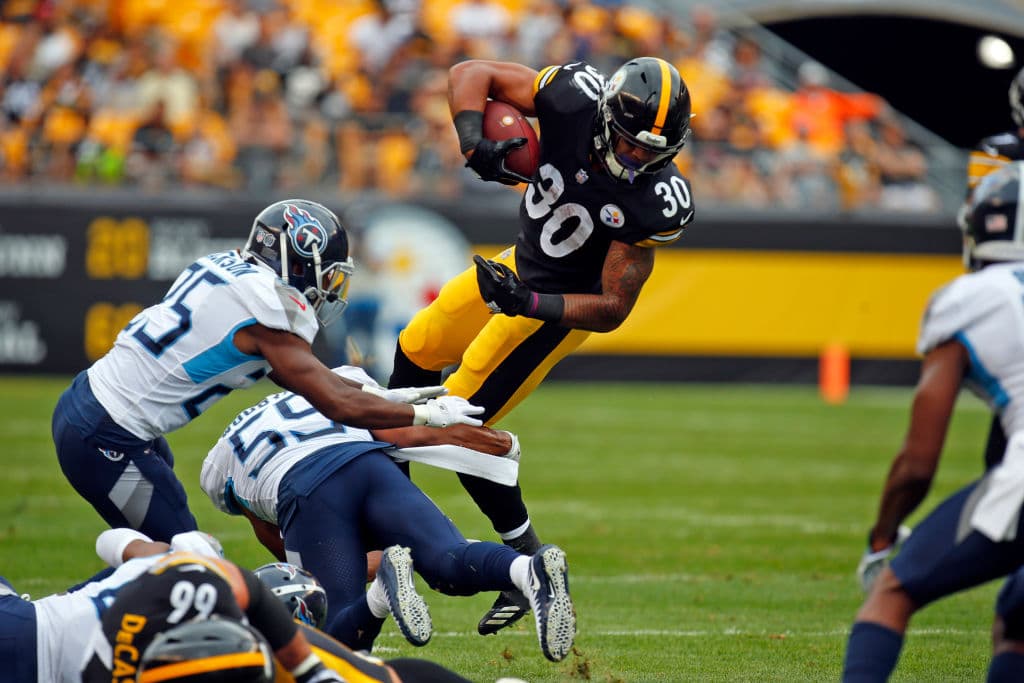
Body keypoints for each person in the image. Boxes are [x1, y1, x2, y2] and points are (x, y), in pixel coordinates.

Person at [387, 55, 695, 633]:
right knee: (415, 347)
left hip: (549, 309)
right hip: (515, 267)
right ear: (605, 116)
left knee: (453, 416)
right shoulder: (573, 97)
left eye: (651, 152)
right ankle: (392, 513)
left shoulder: (657, 200)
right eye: (630, 144)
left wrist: (528, 304)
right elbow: (468, 73)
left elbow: (611, 309)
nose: (636, 159)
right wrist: (474, 138)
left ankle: (525, 566)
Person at [51, 198, 485, 543]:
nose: (329, 287)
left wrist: (388, 399)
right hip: (106, 434)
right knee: (189, 562)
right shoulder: (269, 308)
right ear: (299, 261)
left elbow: (307, 379)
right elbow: (335, 403)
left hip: (97, 407)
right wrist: (427, 416)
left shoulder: (225, 267)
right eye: (328, 274)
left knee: (159, 552)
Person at [199, 364, 577, 661]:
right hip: (368, 465)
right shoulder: (338, 383)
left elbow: (285, 555)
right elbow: (400, 434)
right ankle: (528, 569)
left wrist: (372, 564)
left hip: (305, 487)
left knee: (335, 632)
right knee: (450, 561)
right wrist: (485, 440)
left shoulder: (220, 460)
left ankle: (381, 592)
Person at [841, 161, 1024, 682]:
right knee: (1016, 615)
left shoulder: (971, 297)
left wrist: (882, 538)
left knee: (892, 594)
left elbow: (918, 463)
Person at [0, 527, 225, 682]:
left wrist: (148, 548)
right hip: (37, 649)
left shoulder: (157, 558)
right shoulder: (202, 635)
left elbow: (107, 540)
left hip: (28, 627)